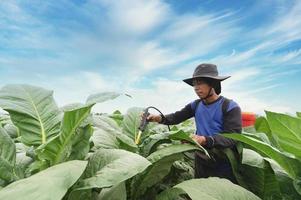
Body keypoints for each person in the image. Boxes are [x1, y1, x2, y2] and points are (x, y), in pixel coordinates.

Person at [147, 63, 242, 182]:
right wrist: (157, 118)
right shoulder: (196, 105)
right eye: (194, 84)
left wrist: (204, 140)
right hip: (201, 159)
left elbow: (232, 137)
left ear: (212, 83)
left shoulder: (230, 107)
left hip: (223, 162)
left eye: (200, 82)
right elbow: (176, 117)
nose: (196, 87)